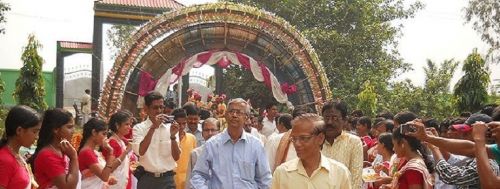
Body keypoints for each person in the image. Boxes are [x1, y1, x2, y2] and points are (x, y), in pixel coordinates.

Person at [191, 98, 272, 189]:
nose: (234, 115)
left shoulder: (256, 145)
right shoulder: (212, 145)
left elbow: (265, 180)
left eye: (239, 112)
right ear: (225, 115)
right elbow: (198, 175)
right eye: (231, 111)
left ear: (246, 117)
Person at [271, 113, 352, 189]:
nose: (297, 144)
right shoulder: (282, 173)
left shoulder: (339, 173)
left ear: (320, 138)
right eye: (294, 139)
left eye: (303, 138)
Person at [132, 91, 181, 189]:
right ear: (146, 109)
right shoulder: (139, 128)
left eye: (161, 107)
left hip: (167, 179)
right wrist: (153, 128)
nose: (159, 111)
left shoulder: (171, 128)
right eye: (155, 107)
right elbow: (140, 151)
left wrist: (173, 137)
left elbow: (176, 157)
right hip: (147, 179)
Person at [32, 108, 80, 189]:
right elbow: (68, 187)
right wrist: (73, 157)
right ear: (56, 129)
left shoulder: (64, 149)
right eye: (69, 127)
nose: (73, 131)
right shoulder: (47, 155)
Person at [321, 100, 363, 189]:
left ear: (345, 120)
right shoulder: (315, 141)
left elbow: (356, 179)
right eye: (326, 118)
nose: (329, 122)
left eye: (335, 118)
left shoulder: (354, 142)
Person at [380, 123, 434, 189]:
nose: (393, 148)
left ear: (403, 143)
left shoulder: (413, 169)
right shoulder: (413, 163)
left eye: (394, 144)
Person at [0, 106, 41, 189]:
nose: (37, 137)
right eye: (34, 131)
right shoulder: (5, 160)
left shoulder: (17, 156)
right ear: (19, 131)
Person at [78, 118, 121, 188]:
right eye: (104, 134)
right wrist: (110, 152)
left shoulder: (93, 152)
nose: (106, 137)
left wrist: (109, 178)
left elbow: (104, 175)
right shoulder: (87, 152)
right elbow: (104, 177)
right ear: (94, 132)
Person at [185, 118, 220, 189]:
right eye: (206, 130)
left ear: (219, 132)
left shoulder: (226, 151)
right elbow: (190, 179)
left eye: (213, 130)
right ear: (202, 133)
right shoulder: (195, 153)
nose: (210, 133)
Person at [105, 110, 134, 189]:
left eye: (130, 124)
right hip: (115, 183)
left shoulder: (120, 141)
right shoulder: (112, 143)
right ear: (117, 125)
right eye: (126, 124)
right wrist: (126, 152)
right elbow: (111, 168)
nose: (129, 127)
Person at [172, 108, 197, 189]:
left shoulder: (192, 138)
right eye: (179, 124)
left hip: (187, 181)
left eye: (184, 123)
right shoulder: (168, 139)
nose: (182, 127)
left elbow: (194, 162)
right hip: (171, 181)